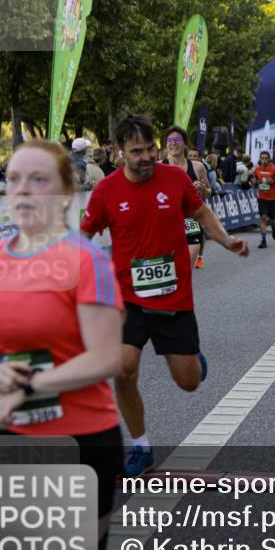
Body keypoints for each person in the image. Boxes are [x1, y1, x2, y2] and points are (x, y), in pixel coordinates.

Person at [0, 140, 148, 550]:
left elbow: (106, 356)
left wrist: (28, 383)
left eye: (39, 180)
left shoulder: (84, 259)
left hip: (83, 438)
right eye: (14, 180)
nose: (24, 190)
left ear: (67, 195)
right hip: (7, 431)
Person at [80, 114, 249, 477]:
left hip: (173, 297)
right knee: (123, 371)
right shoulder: (106, 190)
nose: (146, 157)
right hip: (127, 297)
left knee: (188, 382)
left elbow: (201, 212)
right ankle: (141, 447)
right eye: (136, 151)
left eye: (150, 149)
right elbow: (84, 233)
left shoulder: (174, 179)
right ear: (119, 151)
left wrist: (226, 240)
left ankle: (192, 358)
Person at [162, 126, 211, 269]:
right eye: (170, 140)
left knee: (186, 269)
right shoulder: (159, 167)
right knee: (170, 271)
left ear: (185, 144)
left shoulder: (197, 167)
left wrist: (202, 189)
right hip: (168, 222)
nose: (173, 143)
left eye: (177, 139)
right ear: (166, 145)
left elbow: (209, 191)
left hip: (191, 222)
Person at [252, 151, 275, 249]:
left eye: (266, 158)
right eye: (262, 158)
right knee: (263, 218)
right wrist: (254, 181)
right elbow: (255, 179)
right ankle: (263, 240)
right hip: (262, 198)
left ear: (269, 159)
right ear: (260, 159)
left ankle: (274, 229)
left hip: (272, 198)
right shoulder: (257, 169)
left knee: (272, 220)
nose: (264, 160)